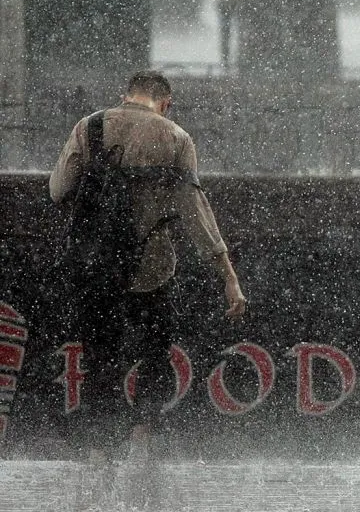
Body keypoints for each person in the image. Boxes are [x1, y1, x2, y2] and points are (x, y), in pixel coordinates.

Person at [49, 70, 247, 460]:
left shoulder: (89, 127)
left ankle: (98, 451)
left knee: (101, 358)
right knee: (156, 353)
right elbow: (195, 211)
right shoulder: (175, 137)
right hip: (151, 267)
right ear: (165, 103)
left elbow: (58, 190)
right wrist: (228, 276)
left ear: (125, 96)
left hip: (98, 266)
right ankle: (142, 438)